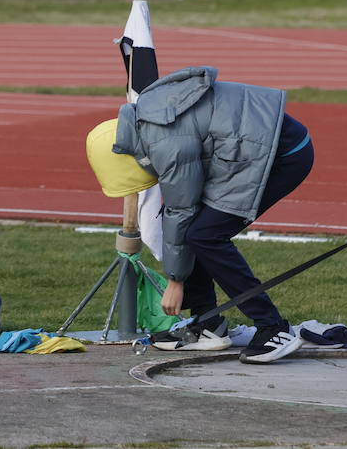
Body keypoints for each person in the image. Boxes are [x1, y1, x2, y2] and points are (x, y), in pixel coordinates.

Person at [93, 65, 315, 364]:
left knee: (206, 235)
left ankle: (273, 327)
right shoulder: (146, 119)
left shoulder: (164, 144)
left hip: (280, 153)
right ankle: (209, 324)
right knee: (197, 231)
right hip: (252, 145)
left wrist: (176, 280)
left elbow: (181, 209)